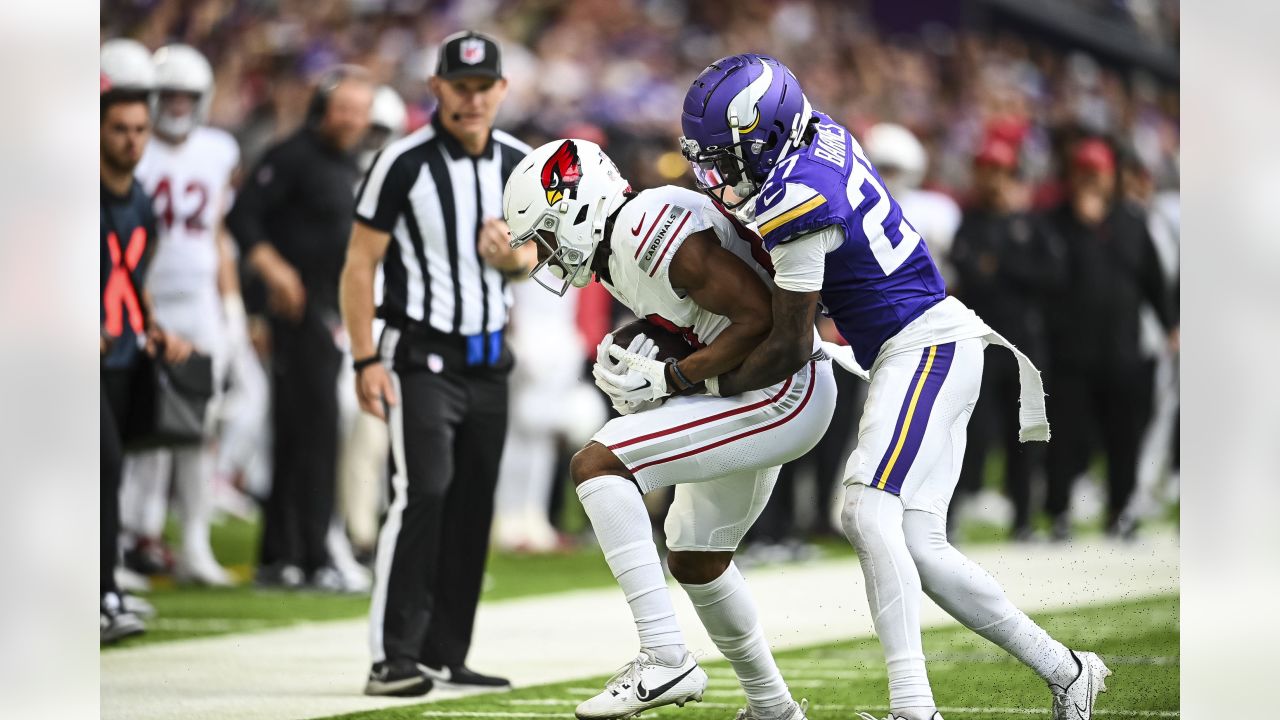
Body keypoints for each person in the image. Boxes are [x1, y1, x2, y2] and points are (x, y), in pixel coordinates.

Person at [609, 53, 1111, 720]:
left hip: (925, 346)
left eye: (731, 159)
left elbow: (788, 343)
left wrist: (685, 380)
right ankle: (1069, 670)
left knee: (866, 512)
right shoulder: (815, 135)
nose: (721, 177)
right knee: (921, 550)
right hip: (924, 345)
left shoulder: (798, 197)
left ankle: (914, 709)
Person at [505, 138, 836, 720]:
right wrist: (651, 357)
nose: (549, 255)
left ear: (579, 208)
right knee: (695, 557)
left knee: (599, 463)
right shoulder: (624, 243)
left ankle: (664, 655)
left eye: (550, 235)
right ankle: (775, 711)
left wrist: (672, 377)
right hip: (759, 390)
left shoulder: (643, 230)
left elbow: (759, 319)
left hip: (780, 388)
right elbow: (703, 315)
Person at [340, 31, 533, 696]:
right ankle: (391, 656)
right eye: (461, 86)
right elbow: (359, 265)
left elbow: (536, 258)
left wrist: (511, 259)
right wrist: (365, 356)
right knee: (423, 491)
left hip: (489, 359)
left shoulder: (519, 162)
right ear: (437, 87)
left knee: (474, 505)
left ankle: (447, 651)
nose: (472, 99)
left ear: (502, 90)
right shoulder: (403, 161)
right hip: (421, 354)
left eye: (484, 87)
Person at [226, 64, 374, 590]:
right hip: (298, 310)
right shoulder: (291, 156)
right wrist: (272, 266)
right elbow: (243, 217)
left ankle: (293, 553)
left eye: (361, 111)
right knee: (306, 430)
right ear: (322, 110)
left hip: (330, 309)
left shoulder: (347, 162)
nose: (354, 120)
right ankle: (303, 554)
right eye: (345, 110)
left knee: (310, 429)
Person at [121, 43, 242, 586]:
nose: (175, 107)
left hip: (197, 304)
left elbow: (217, 233)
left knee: (199, 427)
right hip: (144, 297)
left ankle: (193, 540)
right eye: (166, 96)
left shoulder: (218, 149)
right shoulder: (132, 147)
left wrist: (231, 303)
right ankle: (129, 537)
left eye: (185, 97)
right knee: (136, 426)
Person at [100, 38, 191, 642]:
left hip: (124, 353)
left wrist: (156, 326)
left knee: (113, 470)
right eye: (119, 129)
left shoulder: (140, 204)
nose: (132, 139)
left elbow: (134, 275)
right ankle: (102, 590)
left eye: (139, 129)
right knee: (100, 467)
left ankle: (103, 586)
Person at [1041, 139, 1177, 540]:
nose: (1089, 180)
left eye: (1096, 173)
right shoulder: (1055, 223)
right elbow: (1047, 277)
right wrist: (1083, 227)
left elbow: (1154, 281)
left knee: (1124, 436)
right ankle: (1059, 513)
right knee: (1064, 436)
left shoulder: (1133, 222)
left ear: (1111, 176)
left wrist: (1171, 324)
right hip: (1070, 351)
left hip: (1121, 349)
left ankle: (1121, 510)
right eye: (1083, 172)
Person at [949, 138, 1066, 540]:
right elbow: (968, 269)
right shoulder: (972, 220)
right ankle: (956, 513)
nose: (992, 180)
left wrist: (1002, 266)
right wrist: (1002, 269)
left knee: (1025, 432)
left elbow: (1052, 277)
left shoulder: (1031, 223)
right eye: (986, 170)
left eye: (999, 171)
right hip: (980, 341)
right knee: (970, 430)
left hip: (1023, 344)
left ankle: (1023, 517)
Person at [862, 123, 962, 288]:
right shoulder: (859, 209)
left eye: (892, 170)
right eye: (884, 169)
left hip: (926, 295)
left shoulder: (937, 208)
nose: (887, 177)